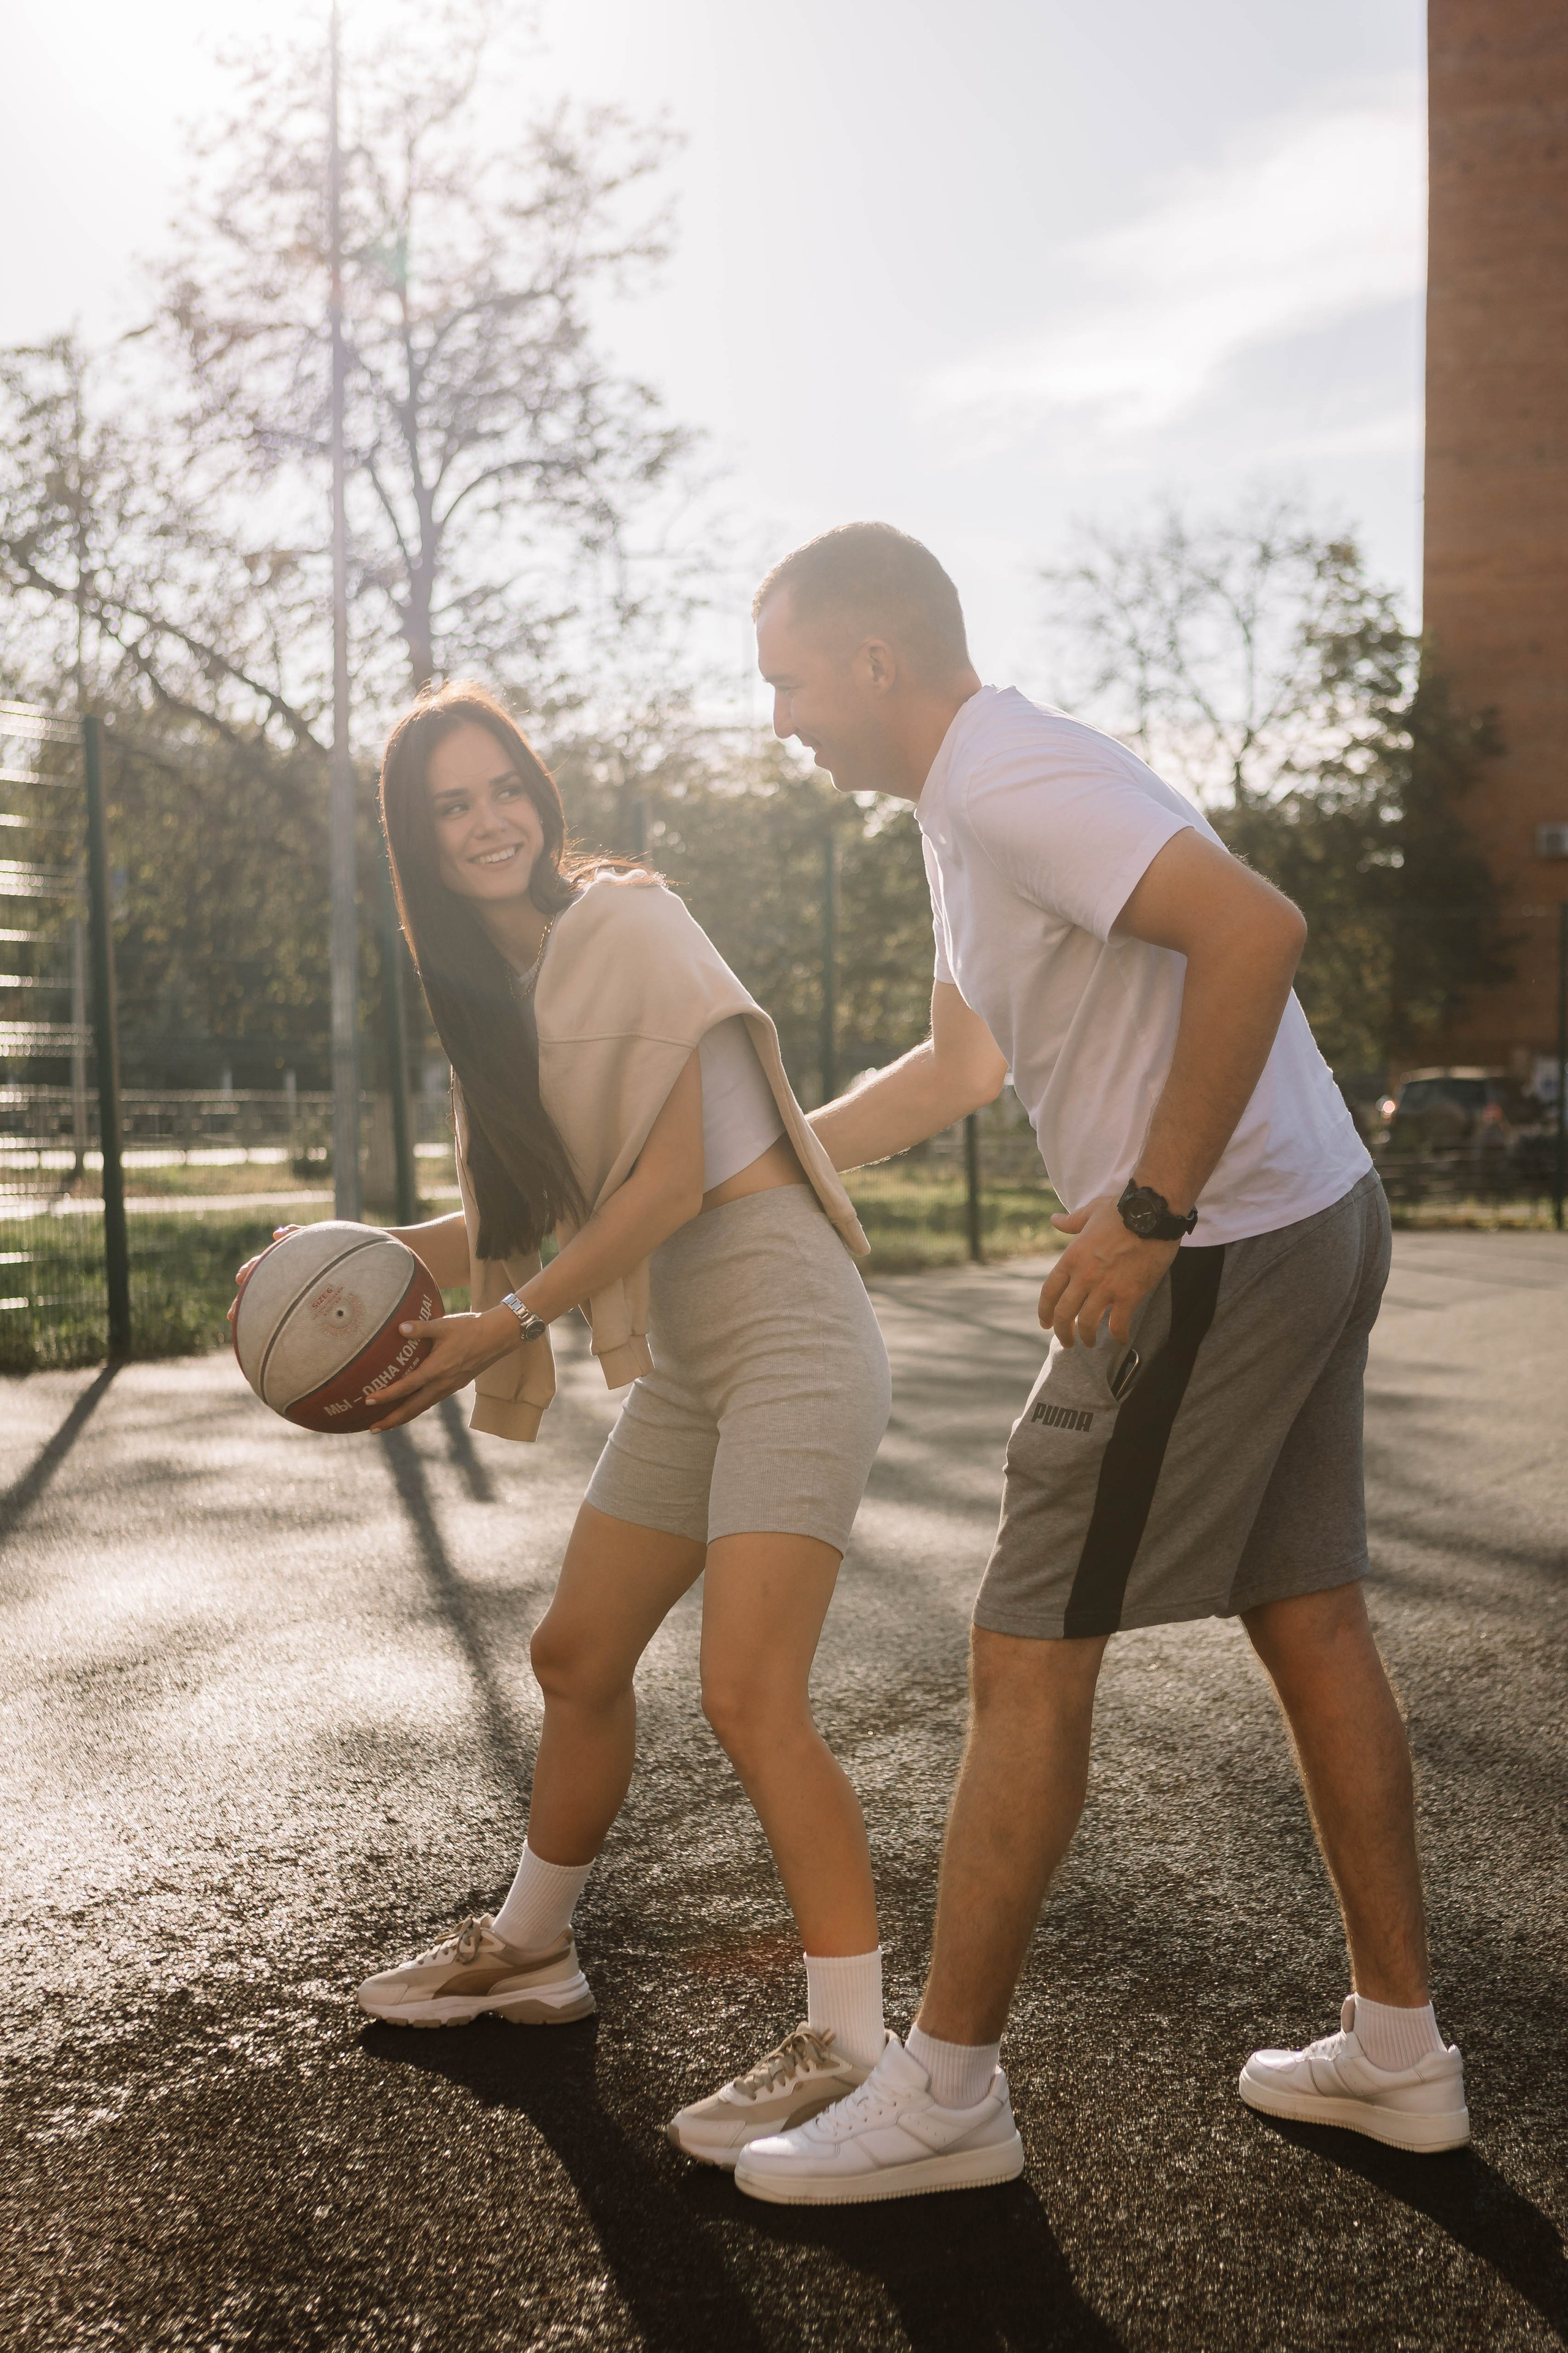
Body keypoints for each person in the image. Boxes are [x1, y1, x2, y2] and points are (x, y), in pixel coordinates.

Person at [729, 524, 1468, 2208]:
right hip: (1304, 1210)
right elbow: (952, 1069)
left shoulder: (1007, 779)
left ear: (875, 661)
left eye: (789, 681)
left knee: (1023, 1646)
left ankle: (945, 2091)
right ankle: (1398, 2051)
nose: (781, 722)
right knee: (1309, 1617)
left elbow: (1256, 928)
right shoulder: (964, 806)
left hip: (1219, 1245)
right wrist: (761, 1168)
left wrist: (1149, 1206)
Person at [236, 681, 893, 2167]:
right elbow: (515, 1221)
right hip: (695, 1358)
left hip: (790, 1327)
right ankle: (532, 1948)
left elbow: (667, 1189)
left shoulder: (631, 921)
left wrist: (511, 1323)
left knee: (749, 1690)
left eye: (503, 788)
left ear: (538, 794)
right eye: (450, 806)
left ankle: (855, 2040)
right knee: (575, 1654)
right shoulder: (496, 1000)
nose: (488, 821)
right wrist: (326, 1277)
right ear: (418, 841)